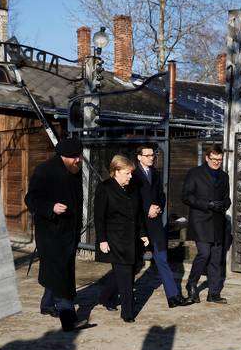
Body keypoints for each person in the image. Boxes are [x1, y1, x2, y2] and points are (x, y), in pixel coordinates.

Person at [25, 138, 89, 332]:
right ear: (63, 156)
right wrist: (50, 207)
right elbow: (31, 199)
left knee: (58, 271)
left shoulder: (74, 171)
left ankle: (46, 305)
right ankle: (69, 319)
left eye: (78, 156)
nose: (77, 160)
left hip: (70, 233)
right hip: (50, 234)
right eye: (74, 157)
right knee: (62, 276)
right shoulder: (44, 171)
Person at [133, 145, 190, 308]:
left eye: (153, 155)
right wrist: (146, 209)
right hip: (139, 225)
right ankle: (109, 294)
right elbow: (131, 200)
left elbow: (161, 196)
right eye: (148, 155)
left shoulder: (156, 174)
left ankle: (173, 297)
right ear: (139, 157)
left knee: (162, 259)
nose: (152, 157)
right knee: (131, 263)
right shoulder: (133, 175)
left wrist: (157, 206)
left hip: (155, 224)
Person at [95, 155, 149, 323]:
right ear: (116, 171)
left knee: (126, 271)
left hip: (132, 238)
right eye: (127, 173)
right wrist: (102, 239)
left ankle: (105, 297)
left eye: (131, 173)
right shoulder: (105, 188)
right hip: (115, 239)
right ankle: (128, 312)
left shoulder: (131, 188)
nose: (130, 177)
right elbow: (99, 217)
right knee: (126, 275)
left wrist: (142, 233)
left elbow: (138, 213)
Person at [182, 144, 231, 304]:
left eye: (220, 160)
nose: (217, 162)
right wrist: (208, 204)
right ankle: (191, 285)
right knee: (204, 253)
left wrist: (224, 204)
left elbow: (227, 198)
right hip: (201, 221)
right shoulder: (194, 173)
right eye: (214, 159)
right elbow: (187, 196)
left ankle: (214, 293)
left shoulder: (224, 176)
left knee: (216, 257)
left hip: (218, 221)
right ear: (207, 157)